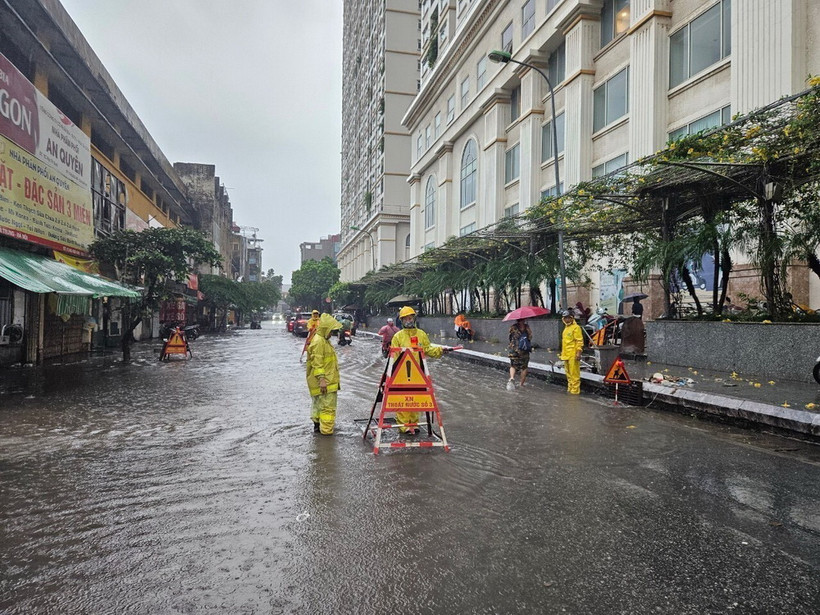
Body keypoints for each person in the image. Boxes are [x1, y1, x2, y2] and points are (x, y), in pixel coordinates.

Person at [391, 306, 454, 434]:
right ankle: (404, 426)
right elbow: (394, 357)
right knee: (402, 400)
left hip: (418, 374)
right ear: (401, 321)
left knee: (416, 400)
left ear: (414, 319)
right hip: (402, 375)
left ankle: (413, 424)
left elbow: (428, 349)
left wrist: (441, 350)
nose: (409, 320)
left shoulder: (421, 334)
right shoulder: (397, 337)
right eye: (406, 318)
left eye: (411, 318)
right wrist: (393, 376)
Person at [306, 313, 343, 435]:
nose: (331, 333)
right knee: (328, 408)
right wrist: (322, 379)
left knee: (318, 406)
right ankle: (326, 432)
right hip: (325, 382)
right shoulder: (319, 342)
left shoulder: (322, 340)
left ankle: (318, 427)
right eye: (331, 330)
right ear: (326, 329)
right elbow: (317, 363)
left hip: (321, 382)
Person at [559, 310, 584, 395]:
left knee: (574, 374)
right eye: (565, 318)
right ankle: (570, 390)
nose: (566, 320)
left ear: (572, 318)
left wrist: (578, 353)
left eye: (568, 318)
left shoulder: (576, 328)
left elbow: (579, 341)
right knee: (568, 374)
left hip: (573, 355)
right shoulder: (566, 328)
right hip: (566, 355)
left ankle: (575, 392)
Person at [507, 319, 533, 388]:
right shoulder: (527, 328)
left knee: (513, 365)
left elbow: (510, 338)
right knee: (524, 367)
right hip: (524, 351)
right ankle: (521, 384)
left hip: (514, 350)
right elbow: (530, 338)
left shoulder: (513, 328)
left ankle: (512, 378)